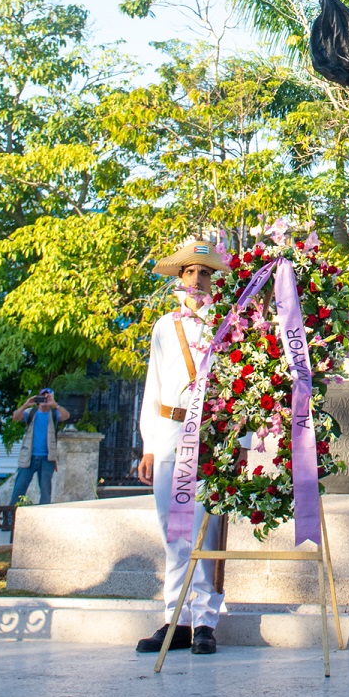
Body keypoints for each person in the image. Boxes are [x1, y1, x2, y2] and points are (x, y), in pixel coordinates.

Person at [135, 238, 228, 656]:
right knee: (173, 532)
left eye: (204, 272)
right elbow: (153, 385)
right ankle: (176, 619)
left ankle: (206, 620)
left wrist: (238, 442)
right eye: (190, 271)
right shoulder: (163, 326)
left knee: (204, 528)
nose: (196, 278)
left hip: (209, 433)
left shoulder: (228, 322)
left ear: (213, 280)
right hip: (169, 430)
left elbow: (238, 383)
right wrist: (149, 445)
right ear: (179, 277)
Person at [10, 389, 70, 505]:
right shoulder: (30, 412)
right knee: (19, 487)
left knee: (45, 490)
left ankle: (43, 513)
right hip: (29, 457)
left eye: (47, 397)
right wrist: (26, 404)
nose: (44, 399)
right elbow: (16, 417)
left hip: (47, 458)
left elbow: (66, 416)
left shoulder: (54, 414)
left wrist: (55, 404)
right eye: (42, 397)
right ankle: (10, 515)